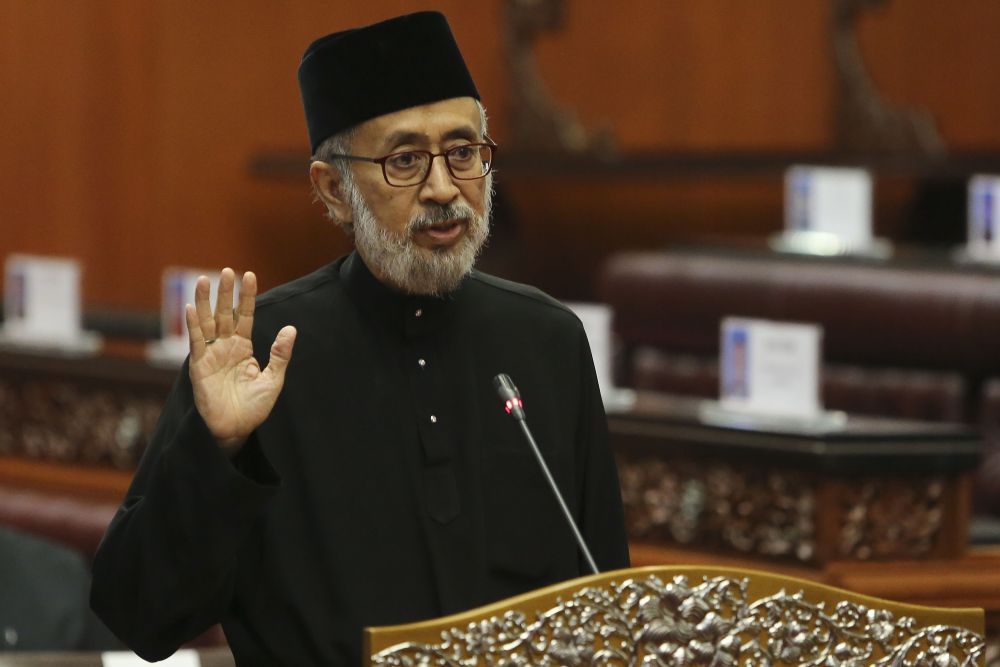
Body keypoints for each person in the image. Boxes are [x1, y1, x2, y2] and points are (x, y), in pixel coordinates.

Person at [91, 11, 629, 665]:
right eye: (405, 161)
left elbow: (608, 604)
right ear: (334, 190)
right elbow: (141, 616)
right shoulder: (260, 351)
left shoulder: (548, 342)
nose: (443, 188)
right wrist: (218, 449)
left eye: (463, 152)